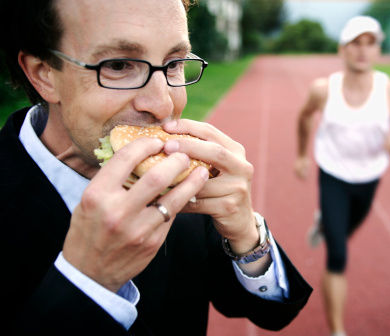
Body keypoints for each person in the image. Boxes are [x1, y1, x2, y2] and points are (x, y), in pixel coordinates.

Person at [0, 0, 313, 335]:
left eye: (175, 63)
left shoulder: (183, 179)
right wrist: (86, 282)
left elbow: (273, 314)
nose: (165, 103)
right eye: (119, 65)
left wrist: (247, 237)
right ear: (43, 74)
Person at [294, 16, 390, 336]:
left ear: (378, 49)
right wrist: (303, 155)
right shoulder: (323, 89)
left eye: (370, 43)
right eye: (355, 43)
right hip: (332, 174)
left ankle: (325, 222)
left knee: (344, 232)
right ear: (342, 49)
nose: (362, 51)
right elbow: (305, 118)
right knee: (338, 253)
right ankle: (338, 331)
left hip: (370, 177)